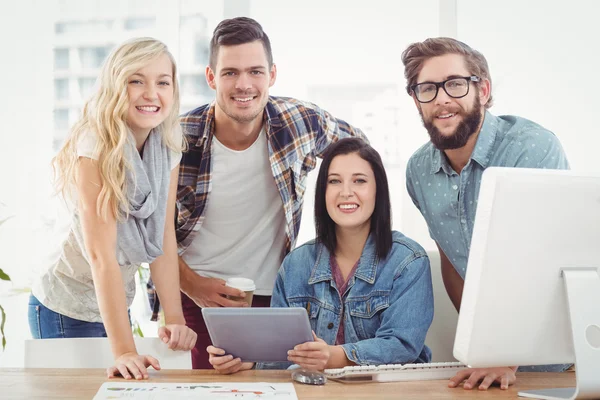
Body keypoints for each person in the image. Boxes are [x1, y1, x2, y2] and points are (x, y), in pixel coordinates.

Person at [172, 17, 366, 369]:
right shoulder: (179, 136)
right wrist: (191, 284)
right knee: (210, 389)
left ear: (272, 75)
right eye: (230, 72)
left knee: (277, 388)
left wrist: (338, 211)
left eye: (255, 72)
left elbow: (360, 152)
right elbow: (147, 228)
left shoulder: (301, 121)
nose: (244, 84)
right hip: (199, 294)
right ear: (211, 77)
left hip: (278, 292)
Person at [401, 37, 570, 390]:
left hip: (567, 357)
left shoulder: (532, 148)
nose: (442, 98)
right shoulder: (418, 170)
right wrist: (486, 348)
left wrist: (506, 356)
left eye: (456, 84)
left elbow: (540, 262)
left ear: (484, 89)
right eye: (427, 89)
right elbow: (453, 261)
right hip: (494, 367)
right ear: (416, 101)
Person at [29, 37, 197, 380]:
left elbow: (162, 236)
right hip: (65, 307)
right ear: (116, 85)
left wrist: (175, 318)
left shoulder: (166, 145)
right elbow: (101, 256)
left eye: (162, 82)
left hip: (111, 304)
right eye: (137, 81)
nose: (151, 93)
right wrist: (124, 351)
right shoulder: (95, 146)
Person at [206, 137, 434, 373]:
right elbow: (282, 351)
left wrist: (336, 356)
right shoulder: (296, 265)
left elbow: (403, 346)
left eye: (359, 181)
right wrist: (249, 360)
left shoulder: (408, 262)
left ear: (378, 190)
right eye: (334, 181)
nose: (346, 192)